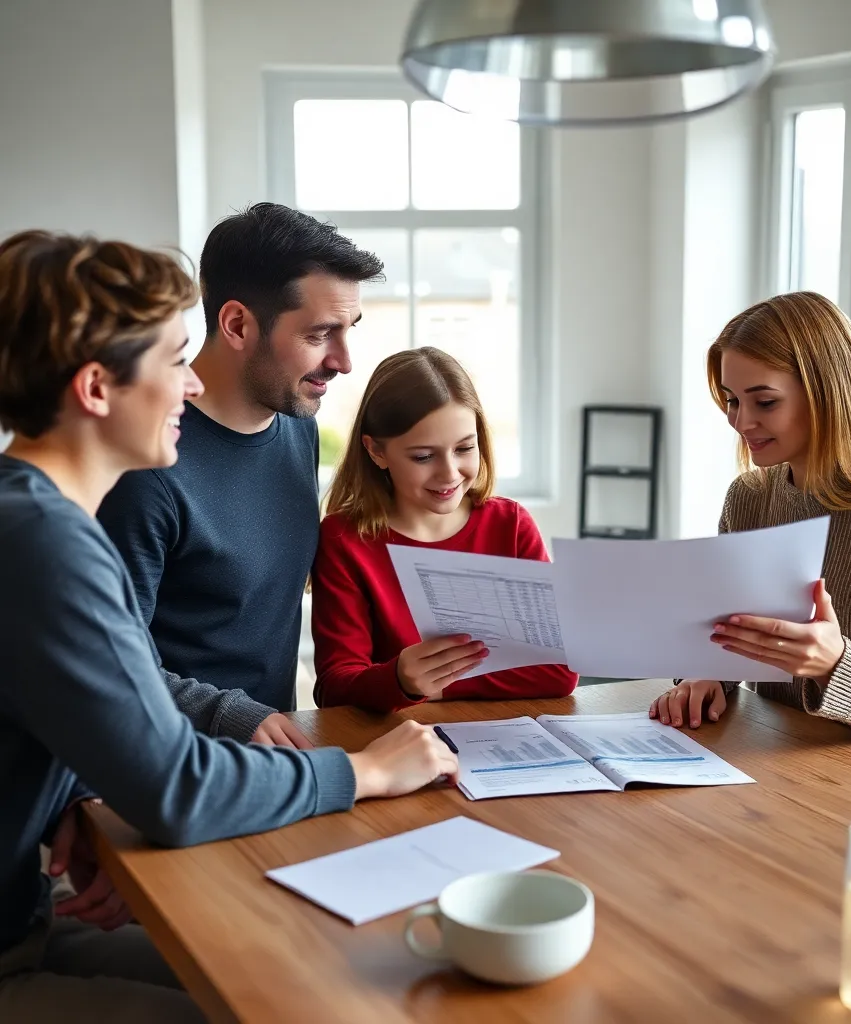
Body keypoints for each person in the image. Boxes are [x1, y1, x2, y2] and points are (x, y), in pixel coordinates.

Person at [0, 230, 458, 1022]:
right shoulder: (43, 542)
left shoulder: (33, 517)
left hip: (26, 917)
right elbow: (178, 786)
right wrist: (368, 771)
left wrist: (67, 795)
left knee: (316, 975)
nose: (189, 385)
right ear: (96, 390)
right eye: (175, 360)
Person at [649, 291, 851, 762]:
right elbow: (732, 638)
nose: (742, 421)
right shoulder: (750, 499)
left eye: (764, 401)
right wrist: (706, 676)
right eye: (733, 401)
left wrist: (835, 664)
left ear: (826, 392)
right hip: (778, 763)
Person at [98, 203, 382, 728]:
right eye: (320, 334)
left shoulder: (298, 427)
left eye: (350, 330)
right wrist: (241, 719)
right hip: (174, 768)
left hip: (276, 757)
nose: (344, 360)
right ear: (236, 324)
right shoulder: (146, 468)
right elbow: (111, 668)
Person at [312, 346, 578, 712]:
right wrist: (400, 680)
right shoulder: (345, 540)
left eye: (465, 448)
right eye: (423, 456)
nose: (450, 474)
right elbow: (334, 689)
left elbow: (559, 672)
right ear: (376, 452)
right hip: (400, 749)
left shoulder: (511, 525)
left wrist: (434, 687)